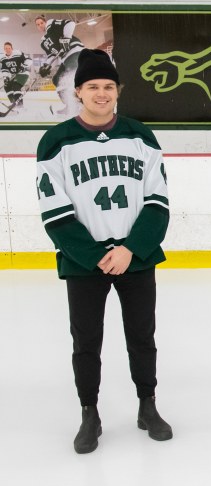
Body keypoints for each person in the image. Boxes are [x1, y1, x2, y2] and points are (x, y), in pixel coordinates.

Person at [35, 49, 173, 454]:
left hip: (136, 258)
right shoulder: (56, 141)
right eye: (92, 86)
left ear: (118, 91)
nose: (101, 93)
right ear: (78, 92)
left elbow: (158, 202)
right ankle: (89, 413)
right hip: (84, 263)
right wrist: (96, 254)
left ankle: (147, 405)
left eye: (108, 87)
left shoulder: (140, 136)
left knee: (142, 337)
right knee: (86, 341)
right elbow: (54, 211)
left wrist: (132, 248)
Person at [34, 15, 85, 117]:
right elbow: (52, 56)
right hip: (65, 59)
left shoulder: (51, 24)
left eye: (41, 23)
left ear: (45, 22)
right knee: (57, 79)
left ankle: (80, 106)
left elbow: (70, 24)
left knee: (71, 79)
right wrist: (45, 66)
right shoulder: (44, 41)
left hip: (75, 52)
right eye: (37, 24)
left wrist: (66, 39)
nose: (40, 25)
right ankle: (70, 105)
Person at [1, 41, 32, 113]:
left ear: (12, 48)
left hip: (23, 74)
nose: (7, 49)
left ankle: (20, 105)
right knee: (7, 86)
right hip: (14, 76)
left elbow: (29, 60)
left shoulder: (18, 53)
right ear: (4, 49)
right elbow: (4, 69)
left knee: (16, 86)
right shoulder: (3, 58)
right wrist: (6, 78)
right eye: (6, 48)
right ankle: (13, 103)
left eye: (9, 48)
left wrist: (23, 66)